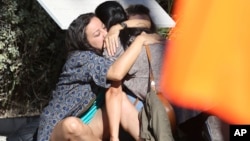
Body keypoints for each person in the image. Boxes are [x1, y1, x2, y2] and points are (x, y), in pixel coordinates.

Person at [37, 12, 161, 141]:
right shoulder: (80, 58)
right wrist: (140, 40)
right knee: (72, 125)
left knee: (120, 99)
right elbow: (116, 73)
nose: (105, 34)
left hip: (90, 127)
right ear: (85, 43)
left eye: (104, 27)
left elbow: (146, 23)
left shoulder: (105, 53)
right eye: (97, 34)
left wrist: (116, 27)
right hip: (58, 132)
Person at [95, 1, 175, 141]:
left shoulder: (112, 45)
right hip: (189, 86)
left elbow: (115, 86)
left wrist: (114, 137)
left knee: (120, 97)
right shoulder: (144, 33)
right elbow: (145, 23)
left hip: (168, 102)